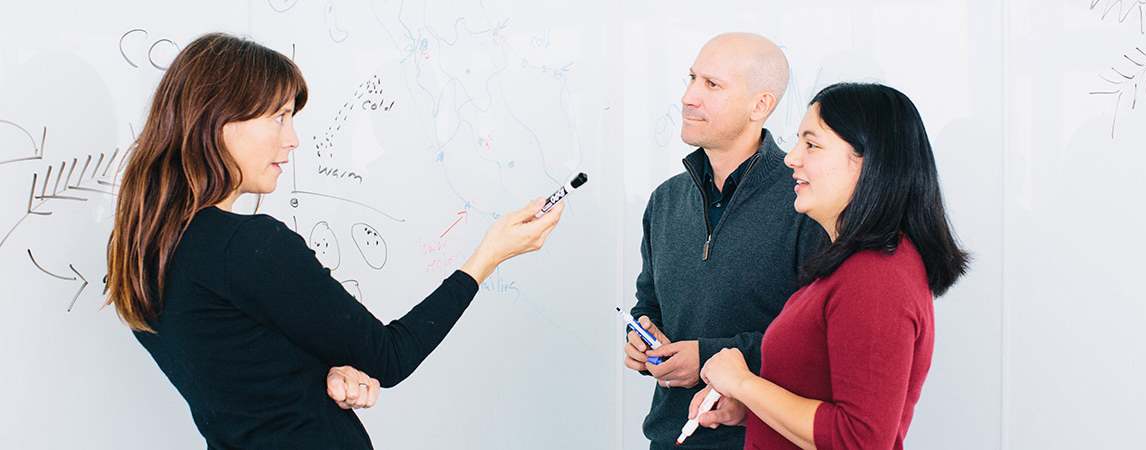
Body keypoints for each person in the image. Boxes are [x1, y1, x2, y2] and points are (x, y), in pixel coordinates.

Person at [105, 33, 563, 449]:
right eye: (279, 117)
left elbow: (241, 367)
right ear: (218, 120)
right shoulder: (248, 247)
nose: (293, 140)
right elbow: (390, 356)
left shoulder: (141, 254)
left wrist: (319, 375)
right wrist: (488, 257)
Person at [688, 82, 970, 450]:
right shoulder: (848, 264)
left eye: (812, 144)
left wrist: (744, 383)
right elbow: (820, 401)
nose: (792, 158)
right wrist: (748, 407)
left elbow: (859, 440)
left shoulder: (876, 276)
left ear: (870, 162)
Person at [624, 32, 825, 450]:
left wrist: (708, 357)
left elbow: (818, 339)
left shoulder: (807, 202)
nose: (689, 96)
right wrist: (644, 341)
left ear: (761, 105)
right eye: (692, 78)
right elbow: (650, 304)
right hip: (671, 437)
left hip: (762, 440)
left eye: (712, 85)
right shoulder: (665, 200)